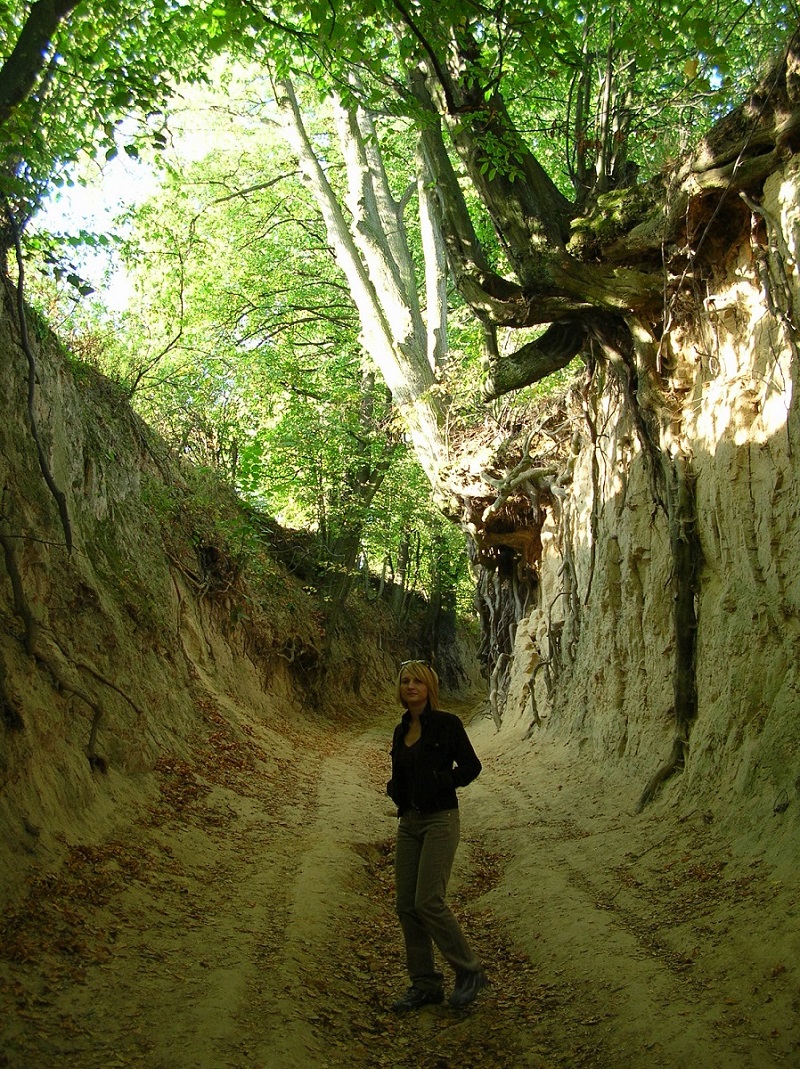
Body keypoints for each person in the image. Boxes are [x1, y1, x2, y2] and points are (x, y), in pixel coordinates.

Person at [386, 659, 488, 1012]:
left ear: (430, 687)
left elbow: (471, 767)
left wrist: (442, 782)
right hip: (409, 822)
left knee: (428, 900)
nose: (411, 686)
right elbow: (400, 769)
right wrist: (395, 789)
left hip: (441, 820)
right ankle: (425, 983)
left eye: (418, 681)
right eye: (405, 681)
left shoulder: (447, 724)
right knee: (406, 906)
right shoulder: (401, 730)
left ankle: (469, 969)